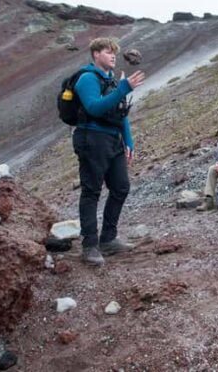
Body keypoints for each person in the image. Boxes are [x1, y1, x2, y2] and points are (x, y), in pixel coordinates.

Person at [73, 37, 145, 266]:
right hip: (91, 138)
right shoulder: (87, 78)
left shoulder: (112, 80)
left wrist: (129, 141)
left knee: (121, 187)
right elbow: (94, 107)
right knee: (91, 191)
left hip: (113, 140)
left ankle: (108, 239)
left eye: (114, 52)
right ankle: (89, 246)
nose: (113, 55)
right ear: (96, 54)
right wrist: (123, 89)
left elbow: (121, 112)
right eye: (107, 51)